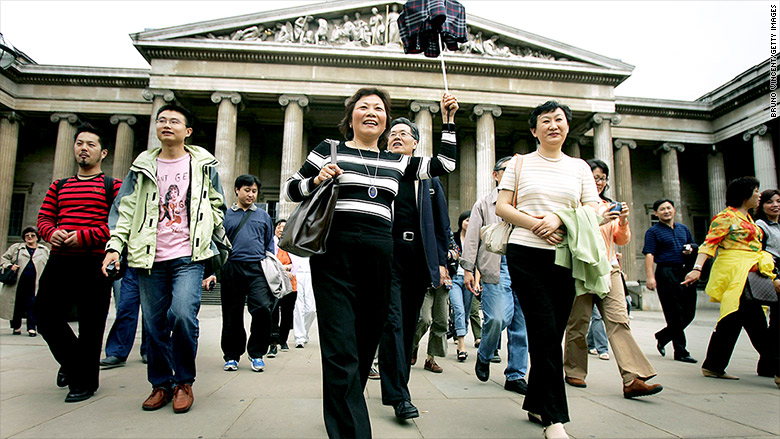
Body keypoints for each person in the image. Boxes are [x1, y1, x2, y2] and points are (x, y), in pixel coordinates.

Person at [283, 87, 458, 438]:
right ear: (351, 118)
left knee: (364, 342)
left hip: (380, 254)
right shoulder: (329, 150)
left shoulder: (398, 162)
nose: (371, 112)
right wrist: (316, 179)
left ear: (385, 121)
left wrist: (449, 121)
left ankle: (343, 400)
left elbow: (446, 165)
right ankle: (352, 430)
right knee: (340, 344)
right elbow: (291, 188)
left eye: (379, 108)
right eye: (363, 107)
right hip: (335, 252)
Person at [103, 104, 225, 414]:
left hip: (189, 254)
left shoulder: (203, 165)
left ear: (188, 131)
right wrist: (115, 246)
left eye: (174, 121)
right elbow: (125, 209)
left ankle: (184, 381)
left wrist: (212, 232)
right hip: (150, 256)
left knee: (183, 315)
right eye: (161, 120)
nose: (166, 125)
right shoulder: (142, 166)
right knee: (154, 325)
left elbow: (217, 204)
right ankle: (161, 384)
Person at [495, 101, 600, 439]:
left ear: (567, 127)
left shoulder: (580, 168)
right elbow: (502, 207)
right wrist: (537, 223)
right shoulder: (519, 163)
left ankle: (536, 401)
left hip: (564, 256)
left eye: (559, 120)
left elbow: (593, 208)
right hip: (526, 253)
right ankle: (555, 419)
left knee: (552, 334)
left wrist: (559, 218)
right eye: (545, 120)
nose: (553, 125)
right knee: (542, 330)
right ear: (534, 130)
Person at [35, 122, 121, 403]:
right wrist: (52, 233)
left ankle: (84, 382)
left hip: (94, 262)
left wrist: (84, 237)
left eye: (91, 145)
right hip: (60, 260)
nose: (83, 149)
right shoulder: (59, 186)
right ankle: (74, 364)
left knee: (91, 325)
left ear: (103, 152)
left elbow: (119, 224)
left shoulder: (113, 186)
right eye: (79, 143)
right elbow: (44, 218)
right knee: (44, 317)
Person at [563, 159, 662, 399]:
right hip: (582, 269)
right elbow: (572, 232)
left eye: (602, 178)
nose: (598, 182)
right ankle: (574, 369)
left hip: (610, 268)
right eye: (594, 177)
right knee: (579, 322)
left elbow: (621, 239)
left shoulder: (609, 204)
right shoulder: (572, 203)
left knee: (619, 319)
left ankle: (633, 377)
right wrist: (600, 219)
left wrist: (623, 221)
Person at [377, 116, 451, 420]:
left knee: (407, 327)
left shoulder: (428, 179)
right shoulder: (382, 173)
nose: (397, 137)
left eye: (404, 134)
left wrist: (443, 262)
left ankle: (398, 384)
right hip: (387, 254)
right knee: (393, 322)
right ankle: (399, 397)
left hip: (418, 259)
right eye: (392, 134)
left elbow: (442, 224)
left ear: (415, 143)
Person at [682, 177, 776, 381]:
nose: (759, 195)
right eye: (756, 191)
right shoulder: (725, 217)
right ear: (745, 194)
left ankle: (714, 365)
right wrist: (697, 268)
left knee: (732, 320)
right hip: (735, 275)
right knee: (756, 322)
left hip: (750, 273)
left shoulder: (750, 219)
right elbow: (709, 244)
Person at [462, 156, 529, 395]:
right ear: (496, 175)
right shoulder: (485, 203)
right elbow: (472, 238)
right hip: (496, 266)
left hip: (525, 266)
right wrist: (468, 268)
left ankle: (516, 374)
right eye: (507, 170)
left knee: (521, 325)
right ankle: (485, 353)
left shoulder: (527, 200)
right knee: (498, 318)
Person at [203, 174, 275, 373]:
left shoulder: (263, 216)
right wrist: (214, 271)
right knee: (232, 313)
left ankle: (257, 353)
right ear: (237, 190)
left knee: (262, 308)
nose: (251, 194)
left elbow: (269, 243)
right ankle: (232, 355)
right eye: (247, 190)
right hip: (231, 267)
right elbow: (216, 244)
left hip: (257, 269)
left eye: (254, 191)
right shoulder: (225, 215)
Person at [642, 198, 699, 363]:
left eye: (668, 208)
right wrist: (650, 276)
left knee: (689, 312)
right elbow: (649, 254)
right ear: (656, 213)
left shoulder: (683, 229)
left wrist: (692, 249)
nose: (666, 211)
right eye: (662, 209)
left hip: (685, 272)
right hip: (666, 272)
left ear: (674, 210)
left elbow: (694, 245)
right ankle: (681, 351)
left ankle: (663, 335)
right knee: (673, 312)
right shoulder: (653, 232)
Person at [0, 226, 49, 336]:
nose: (30, 237)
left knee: (33, 304)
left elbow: (51, 265)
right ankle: (16, 326)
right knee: (16, 304)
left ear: (37, 237)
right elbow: (4, 258)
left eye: (32, 235)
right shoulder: (16, 248)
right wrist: (9, 266)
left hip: (35, 282)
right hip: (17, 282)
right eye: (27, 236)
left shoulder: (44, 250)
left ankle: (31, 328)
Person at [754, 189, 780, 387]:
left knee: (775, 323)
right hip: (772, 271)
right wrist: (775, 276)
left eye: (778, 201)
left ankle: (767, 364)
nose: (775, 205)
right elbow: (760, 252)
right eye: (770, 202)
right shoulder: (760, 226)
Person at [100, 268, 148, 368]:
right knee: (126, 307)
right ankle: (117, 351)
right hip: (131, 264)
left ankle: (150, 350)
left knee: (151, 311)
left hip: (154, 264)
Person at [270, 219, 297, 355]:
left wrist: (287, 270)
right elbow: (269, 261)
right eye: (279, 227)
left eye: (284, 227)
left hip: (290, 285)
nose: (281, 229)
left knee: (287, 314)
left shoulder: (292, 243)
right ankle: (273, 341)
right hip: (273, 282)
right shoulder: (270, 243)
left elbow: (296, 264)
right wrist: (283, 269)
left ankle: (283, 340)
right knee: (273, 313)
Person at [448, 211, 472, 358]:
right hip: (455, 277)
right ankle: (461, 346)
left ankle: (459, 332)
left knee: (467, 311)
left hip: (468, 279)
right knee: (459, 309)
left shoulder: (475, 240)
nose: (468, 223)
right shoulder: (454, 238)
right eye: (466, 220)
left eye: (471, 220)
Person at [291, 252, 315, 348]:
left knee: (311, 309)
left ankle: (304, 331)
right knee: (298, 306)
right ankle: (299, 337)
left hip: (310, 273)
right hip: (296, 273)